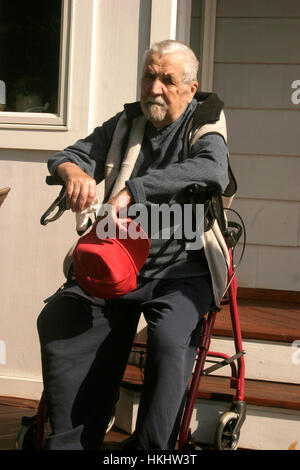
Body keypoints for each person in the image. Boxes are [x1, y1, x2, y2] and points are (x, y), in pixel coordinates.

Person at [37, 40, 231, 450]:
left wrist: (133, 190)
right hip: (118, 261)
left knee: (167, 339)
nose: (155, 88)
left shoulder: (205, 121)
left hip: (183, 268)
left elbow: (213, 169)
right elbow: (66, 155)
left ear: (190, 89)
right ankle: (73, 442)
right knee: (60, 317)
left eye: (167, 80)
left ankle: (149, 450)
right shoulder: (126, 122)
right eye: (149, 76)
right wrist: (74, 173)